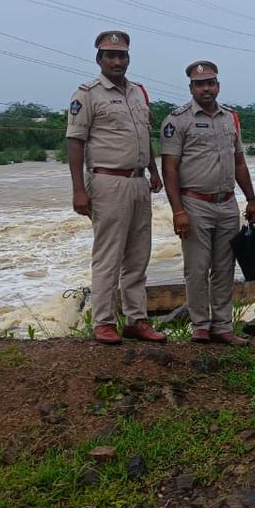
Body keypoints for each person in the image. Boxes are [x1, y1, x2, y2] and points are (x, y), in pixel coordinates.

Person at [66, 30, 166, 345]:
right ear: (99, 59)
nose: (117, 60)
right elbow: (75, 142)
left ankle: (137, 320)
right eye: (110, 55)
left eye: (121, 55)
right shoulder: (87, 94)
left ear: (128, 58)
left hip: (138, 182)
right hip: (107, 181)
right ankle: (104, 322)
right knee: (109, 255)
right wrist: (78, 190)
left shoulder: (138, 93)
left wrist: (153, 169)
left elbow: (144, 136)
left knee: (138, 256)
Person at [160, 60, 255, 345]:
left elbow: (239, 162)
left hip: (227, 203)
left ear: (218, 86)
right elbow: (170, 169)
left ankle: (223, 327)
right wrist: (178, 211)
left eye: (211, 83)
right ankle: (200, 326)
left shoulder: (230, 118)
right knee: (197, 268)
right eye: (200, 84)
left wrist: (251, 198)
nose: (206, 88)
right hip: (194, 203)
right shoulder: (177, 120)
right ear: (191, 88)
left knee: (225, 268)